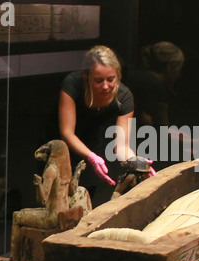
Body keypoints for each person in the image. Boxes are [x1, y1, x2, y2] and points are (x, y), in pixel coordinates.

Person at [58, 45, 155, 199]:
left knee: (84, 196)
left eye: (111, 79)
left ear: (118, 75)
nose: (105, 86)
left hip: (91, 142)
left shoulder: (124, 97)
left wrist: (136, 164)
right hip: (60, 145)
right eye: (98, 81)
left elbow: (122, 146)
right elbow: (66, 133)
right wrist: (92, 157)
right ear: (86, 77)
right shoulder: (73, 85)